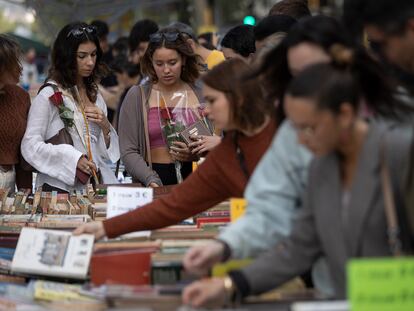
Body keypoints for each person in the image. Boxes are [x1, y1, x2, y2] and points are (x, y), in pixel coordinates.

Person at [182, 46, 414, 308]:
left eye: (309, 128)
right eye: (295, 129)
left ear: (346, 114)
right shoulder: (320, 167)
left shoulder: (400, 154)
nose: (301, 141)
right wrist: (230, 284)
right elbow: (300, 247)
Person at [73, 59, 277, 241]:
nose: (205, 110)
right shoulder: (228, 150)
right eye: (159, 63)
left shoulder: (279, 140)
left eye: (212, 101)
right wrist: (105, 227)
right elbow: (175, 204)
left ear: (238, 98)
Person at [21, 22, 120, 193]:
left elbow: (105, 155)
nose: (90, 62)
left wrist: (105, 127)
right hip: (59, 189)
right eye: (82, 56)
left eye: (94, 54)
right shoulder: (49, 95)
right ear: (66, 56)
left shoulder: (95, 95)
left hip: (95, 188)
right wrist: (73, 158)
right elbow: (30, 146)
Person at [0, 35, 32, 190]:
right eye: (14, 62)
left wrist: (26, 193)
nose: (20, 68)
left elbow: (23, 149)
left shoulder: (21, 97)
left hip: (9, 184)